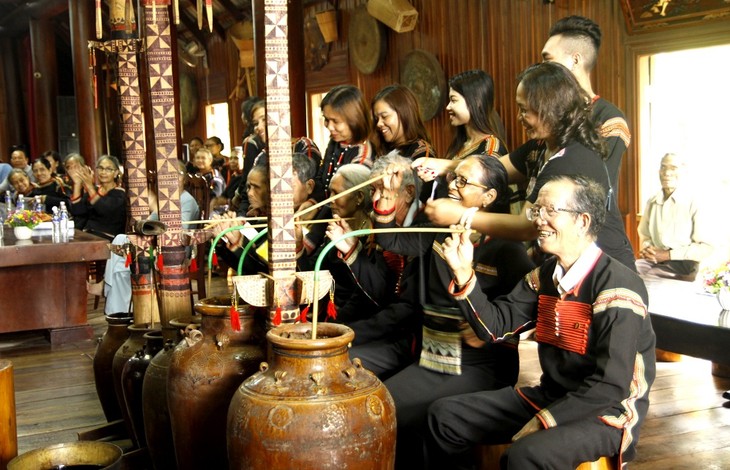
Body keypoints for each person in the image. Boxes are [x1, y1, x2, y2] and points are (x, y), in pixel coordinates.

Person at [427, 174, 656, 469]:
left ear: (582, 221)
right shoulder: (544, 276)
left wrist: (546, 420)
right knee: (444, 415)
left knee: (526, 454)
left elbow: (610, 387)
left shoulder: (619, 288)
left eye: (551, 211)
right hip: (552, 396)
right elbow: (495, 328)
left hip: (606, 414)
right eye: (537, 210)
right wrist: (464, 275)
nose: (538, 219)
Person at [364, 156, 534, 468]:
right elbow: (390, 239)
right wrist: (387, 196)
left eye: (464, 181)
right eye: (453, 177)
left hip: (480, 365)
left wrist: (489, 327)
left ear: (489, 197)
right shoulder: (438, 232)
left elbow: (531, 305)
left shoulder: (506, 248)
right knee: (379, 408)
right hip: (434, 356)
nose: (453, 185)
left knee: (394, 413)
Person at [423, 62, 636, 270]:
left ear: (549, 109)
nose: (519, 117)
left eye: (524, 110)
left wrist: (461, 216)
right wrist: (443, 166)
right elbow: (496, 169)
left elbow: (526, 226)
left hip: (603, 269)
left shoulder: (569, 160)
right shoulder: (542, 146)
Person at [541, 15, 630, 193]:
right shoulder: (551, 117)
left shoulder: (610, 120)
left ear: (575, 60)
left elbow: (590, 186)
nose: (542, 67)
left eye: (548, 59)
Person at [101, 160, 200, 314]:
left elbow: (180, 233)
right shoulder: (166, 200)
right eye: (167, 176)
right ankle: (119, 312)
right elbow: (148, 224)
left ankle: (114, 306)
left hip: (174, 252)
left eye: (177, 175)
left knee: (121, 261)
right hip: (154, 245)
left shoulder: (186, 200)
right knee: (121, 259)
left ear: (184, 179)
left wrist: (156, 208)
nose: (172, 180)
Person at [412, 70, 507, 198]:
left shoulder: (492, 146)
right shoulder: (461, 143)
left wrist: (442, 165)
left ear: (477, 101)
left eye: (454, 100)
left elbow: (486, 175)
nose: (448, 107)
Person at [636, 152, 712, 281]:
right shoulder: (653, 201)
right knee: (628, 272)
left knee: (648, 280)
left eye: (673, 168)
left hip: (684, 264)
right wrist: (648, 250)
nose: (667, 173)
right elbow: (644, 235)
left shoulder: (694, 201)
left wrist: (668, 255)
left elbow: (706, 247)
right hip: (655, 260)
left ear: (684, 172)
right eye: (663, 167)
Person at [314, 85, 375, 201]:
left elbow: (347, 202)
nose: (329, 127)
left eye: (335, 121)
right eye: (326, 119)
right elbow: (322, 178)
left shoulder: (362, 155)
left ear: (354, 120)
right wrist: (313, 202)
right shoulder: (335, 142)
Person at [68, 154, 127, 240]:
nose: (103, 172)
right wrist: (77, 183)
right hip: (87, 234)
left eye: (108, 169)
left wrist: (89, 186)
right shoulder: (95, 190)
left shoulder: (120, 194)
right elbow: (77, 211)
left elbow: (103, 209)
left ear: (116, 173)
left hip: (107, 238)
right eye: (101, 168)